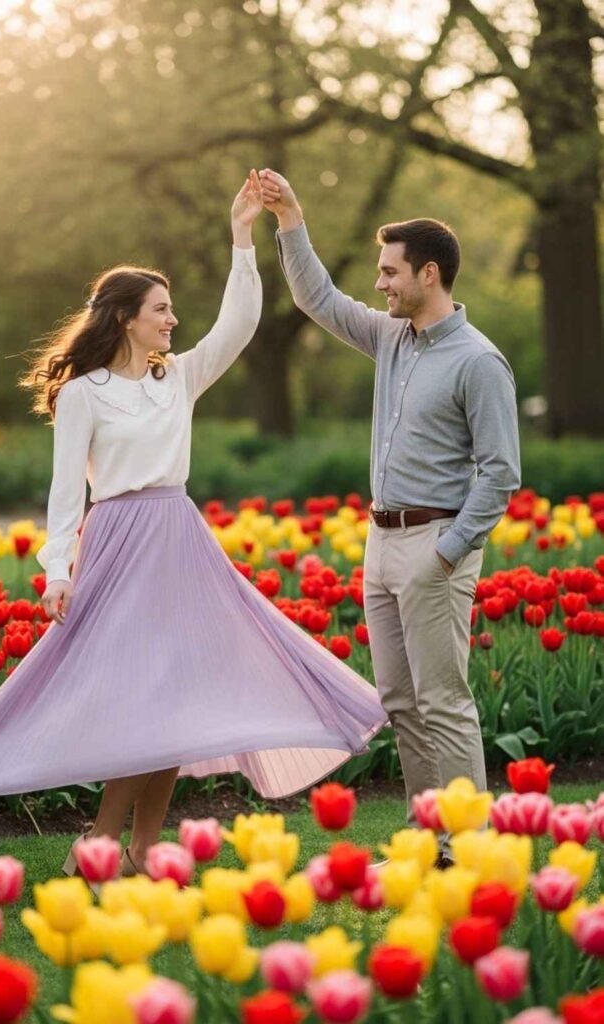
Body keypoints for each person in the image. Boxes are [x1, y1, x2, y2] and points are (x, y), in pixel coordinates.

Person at [0, 171, 387, 879]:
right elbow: (63, 492)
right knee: (137, 700)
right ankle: (102, 844)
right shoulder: (83, 394)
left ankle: (140, 849)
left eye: (171, 310)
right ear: (124, 317)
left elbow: (238, 323)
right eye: (160, 309)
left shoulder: (178, 379)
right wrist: (55, 572)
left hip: (178, 539)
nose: (172, 320)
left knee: (181, 699)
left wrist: (241, 235)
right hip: (116, 543)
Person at [259, 169, 521, 861]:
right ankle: (425, 835)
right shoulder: (390, 339)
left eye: (389, 272)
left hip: (435, 544)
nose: (379, 284)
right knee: (400, 703)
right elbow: (315, 296)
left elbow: (500, 473)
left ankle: (467, 846)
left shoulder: (479, 362)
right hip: (381, 540)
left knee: (442, 702)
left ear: (428, 274)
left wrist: (448, 550)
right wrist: (290, 219)